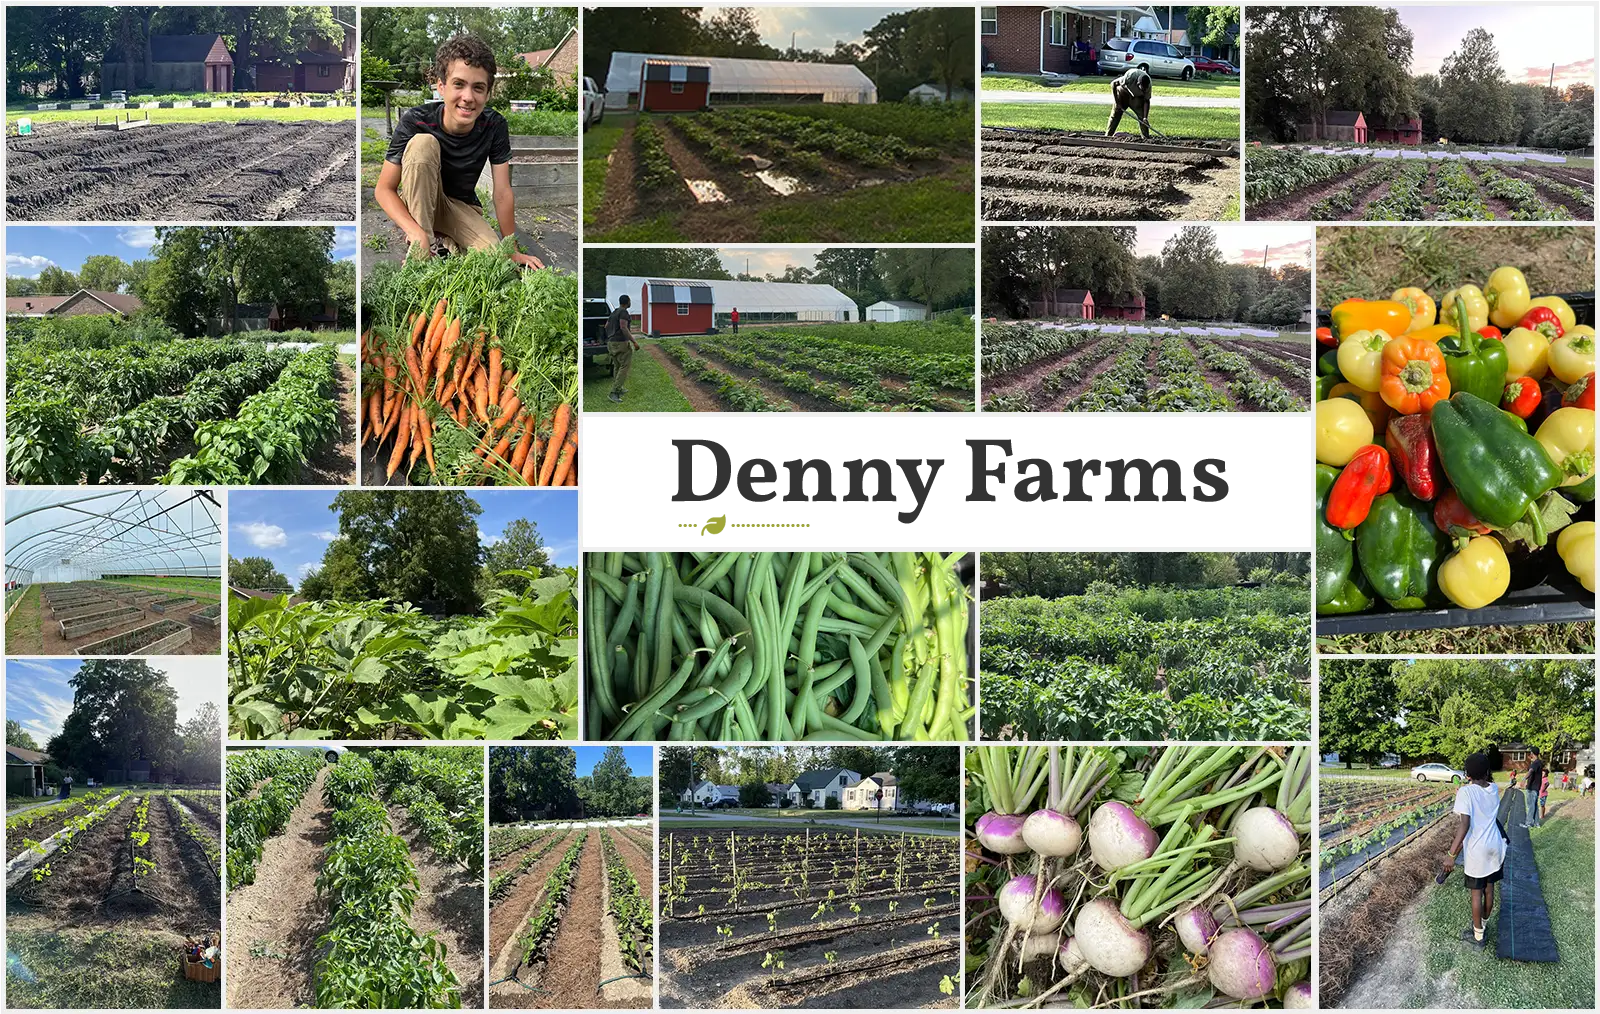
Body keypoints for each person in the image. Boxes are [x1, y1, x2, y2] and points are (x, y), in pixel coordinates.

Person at [376, 34, 543, 270]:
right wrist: (415, 232)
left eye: (478, 88)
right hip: (420, 203)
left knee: (496, 262)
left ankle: (447, 237)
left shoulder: (494, 125)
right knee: (423, 144)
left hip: (460, 206)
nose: (468, 97)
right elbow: (384, 189)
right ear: (441, 86)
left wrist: (511, 249)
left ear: (487, 94)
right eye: (458, 84)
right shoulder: (416, 120)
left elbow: (503, 192)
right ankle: (424, 248)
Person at [1443, 752, 1505, 950]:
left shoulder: (1466, 792)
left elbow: (1464, 825)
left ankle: (1478, 937)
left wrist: (1451, 855)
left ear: (1467, 773)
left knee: (1476, 894)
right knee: (1490, 888)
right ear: (1487, 772)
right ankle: (1483, 924)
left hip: (1478, 850)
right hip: (1495, 845)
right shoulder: (1493, 788)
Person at [606, 294, 640, 404]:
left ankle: (619, 388)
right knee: (625, 366)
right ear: (627, 302)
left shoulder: (614, 312)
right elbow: (623, 327)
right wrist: (634, 342)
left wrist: (611, 336)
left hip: (611, 342)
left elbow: (606, 326)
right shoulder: (623, 312)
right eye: (630, 301)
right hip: (620, 343)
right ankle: (614, 393)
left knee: (617, 366)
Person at [1107, 66, 1153, 139]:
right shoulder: (1130, 76)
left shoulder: (1148, 85)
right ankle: (1108, 136)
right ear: (1138, 84)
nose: (1144, 90)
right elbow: (1113, 84)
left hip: (1137, 98)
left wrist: (1145, 117)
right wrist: (1117, 102)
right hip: (1123, 93)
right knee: (1115, 114)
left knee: (1142, 118)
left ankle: (1146, 139)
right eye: (1142, 89)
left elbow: (1146, 101)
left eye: (1145, 89)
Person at [1522, 747, 1545, 829]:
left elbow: (1531, 771)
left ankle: (1528, 823)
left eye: (1530, 752)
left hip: (1532, 788)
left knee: (1531, 806)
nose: (1530, 754)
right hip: (1535, 787)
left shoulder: (1535, 763)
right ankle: (1537, 823)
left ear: (1532, 753)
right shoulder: (1539, 763)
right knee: (1534, 805)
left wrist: (1524, 779)